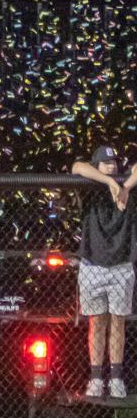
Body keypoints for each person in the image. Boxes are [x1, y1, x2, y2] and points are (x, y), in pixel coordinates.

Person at [71, 146, 136, 399]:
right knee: (96, 323)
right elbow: (77, 167)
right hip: (92, 265)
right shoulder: (90, 188)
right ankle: (97, 378)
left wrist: (126, 186)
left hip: (121, 265)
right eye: (106, 163)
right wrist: (109, 181)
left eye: (114, 163)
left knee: (117, 322)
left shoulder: (128, 186)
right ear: (97, 166)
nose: (112, 166)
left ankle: (116, 377)